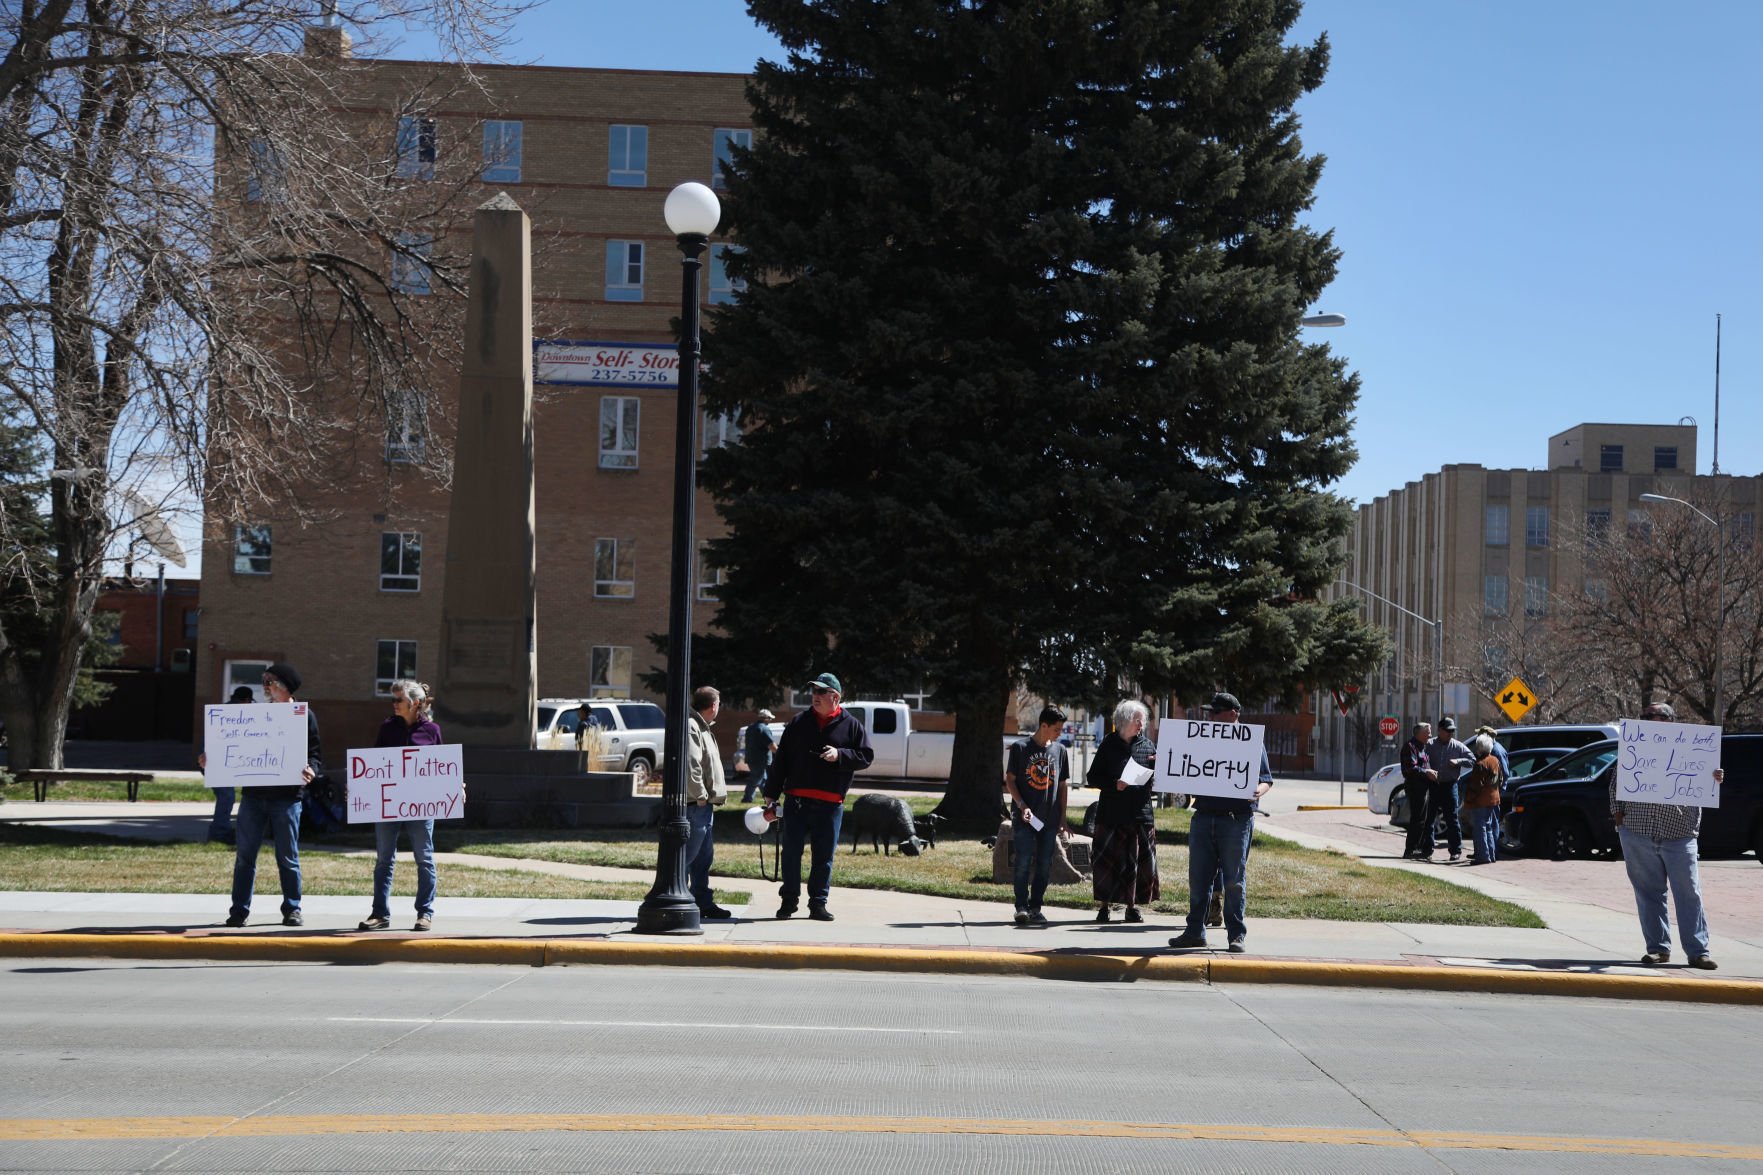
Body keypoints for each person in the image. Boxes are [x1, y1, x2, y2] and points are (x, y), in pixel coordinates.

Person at [1611, 701, 1722, 970]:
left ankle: (1698, 952)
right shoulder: (1632, 746)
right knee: (1648, 893)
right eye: (1645, 715)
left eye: (1655, 715)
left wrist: (1715, 777)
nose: (1648, 718)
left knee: (1689, 893)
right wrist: (1618, 817)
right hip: (1638, 830)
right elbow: (1616, 783)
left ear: (1670, 721)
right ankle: (1658, 949)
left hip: (1680, 832)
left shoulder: (1693, 746)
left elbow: (1705, 782)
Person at [762, 672, 874, 922]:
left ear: (835, 697)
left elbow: (866, 756)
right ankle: (788, 901)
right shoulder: (798, 722)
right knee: (791, 853)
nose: (815, 696)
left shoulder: (852, 725)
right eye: (813, 691)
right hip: (796, 801)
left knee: (823, 857)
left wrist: (840, 755)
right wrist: (771, 794)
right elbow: (781, 761)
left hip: (830, 803)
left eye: (821, 692)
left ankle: (818, 904)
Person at [1169, 692, 1273, 953]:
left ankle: (1236, 935)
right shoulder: (1203, 739)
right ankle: (1194, 931)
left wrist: (1259, 790)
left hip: (1235, 821)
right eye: (1209, 713)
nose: (1211, 717)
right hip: (1203, 817)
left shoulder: (1250, 742)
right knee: (1198, 879)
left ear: (1233, 713)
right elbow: (1187, 768)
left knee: (1234, 881)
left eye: (1216, 712)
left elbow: (1266, 778)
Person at [224, 662, 320, 928]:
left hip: (287, 798)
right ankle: (239, 911)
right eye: (264, 681)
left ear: (286, 686)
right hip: (254, 796)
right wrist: (213, 759)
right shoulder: (254, 714)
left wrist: (312, 769)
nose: (265, 686)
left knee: (287, 856)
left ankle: (292, 908)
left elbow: (314, 753)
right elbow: (235, 745)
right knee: (245, 856)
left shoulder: (303, 716)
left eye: (271, 681)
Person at [358, 679, 444, 932]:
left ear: (415, 703)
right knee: (384, 859)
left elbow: (441, 767)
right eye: (393, 700)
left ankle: (425, 913)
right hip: (389, 804)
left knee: (424, 858)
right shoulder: (387, 728)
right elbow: (374, 763)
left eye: (399, 700)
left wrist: (455, 787)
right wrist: (359, 786)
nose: (394, 704)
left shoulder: (432, 731)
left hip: (421, 805)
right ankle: (379, 914)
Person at [1086, 699, 1158, 924]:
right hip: (1111, 813)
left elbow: (1156, 780)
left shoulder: (1148, 746)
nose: (1141, 724)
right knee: (1108, 862)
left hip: (1140, 814)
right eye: (1138, 720)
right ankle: (1104, 907)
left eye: (1143, 721)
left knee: (1135, 863)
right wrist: (1114, 784)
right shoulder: (1109, 744)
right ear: (1125, 721)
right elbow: (1093, 777)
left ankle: (1132, 907)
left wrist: (1158, 769)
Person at [1004, 706, 1070, 927]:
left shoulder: (1060, 751)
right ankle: (1021, 907)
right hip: (1025, 817)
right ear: (1043, 726)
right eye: (1056, 729)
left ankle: (1036, 907)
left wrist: (1063, 817)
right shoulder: (1020, 748)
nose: (1060, 733)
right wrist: (1022, 806)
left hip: (1049, 819)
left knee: (1044, 864)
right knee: (1022, 861)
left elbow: (1062, 785)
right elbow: (1010, 780)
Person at [685, 685, 731, 919]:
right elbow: (692, 765)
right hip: (696, 806)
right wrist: (701, 796)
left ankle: (703, 903)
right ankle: (680, 901)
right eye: (719, 703)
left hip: (704, 807)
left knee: (703, 859)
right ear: (713, 706)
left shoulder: (703, 728)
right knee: (687, 858)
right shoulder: (692, 726)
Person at [205, 685, 254, 845]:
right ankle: (219, 832)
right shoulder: (236, 714)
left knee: (226, 797)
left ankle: (220, 831)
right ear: (246, 700)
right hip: (218, 763)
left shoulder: (224, 711)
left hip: (215, 762)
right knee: (226, 797)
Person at [1421, 717, 1475, 862]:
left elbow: (1472, 761)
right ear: (1439, 730)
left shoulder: (1458, 746)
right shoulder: (1430, 745)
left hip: (1450, 785)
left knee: (1452, 819)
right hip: (1434, 785)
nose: (1450, 733)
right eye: (1447, 731)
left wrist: (1458, 761)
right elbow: (1421, 760)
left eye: (1452, 731)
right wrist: (1427, 771)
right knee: (1430, 819)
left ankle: (1455, 850)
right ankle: (1427, 850)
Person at [1460, 732, 1504, 865]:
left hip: (1481, 801)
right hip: (1494, 798)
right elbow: (1500, 779)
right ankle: (1491, 854)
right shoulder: (1495, 760)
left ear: (1479, 748)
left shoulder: (1480, 764)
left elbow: (1475, 786)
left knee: (1480, 828)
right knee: (1488, 827)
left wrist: (1468, 800)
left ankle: (1483, 856)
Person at [1400, 722, 1436, 859]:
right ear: (1420, 733)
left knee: (1423, 819)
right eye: (1428, 732)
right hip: (1415, 787)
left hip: (1424, 787)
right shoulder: (1410, 747)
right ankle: (1411, 850)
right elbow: (1409, 768)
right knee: (1417, 819)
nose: (1430, 735)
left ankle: (1418, 848)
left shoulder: (1424, 747)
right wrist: (1426, 772)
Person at [741, 708, 777, 804]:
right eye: (770, 718)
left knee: (763, 780)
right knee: (755, 779)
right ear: (765, 718)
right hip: (760, 759)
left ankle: (767, 798)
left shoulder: (750, 728)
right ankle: (747, 799)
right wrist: (780, 754)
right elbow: (771, 745)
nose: (770, 720)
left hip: (751, 758)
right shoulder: (764, 729)